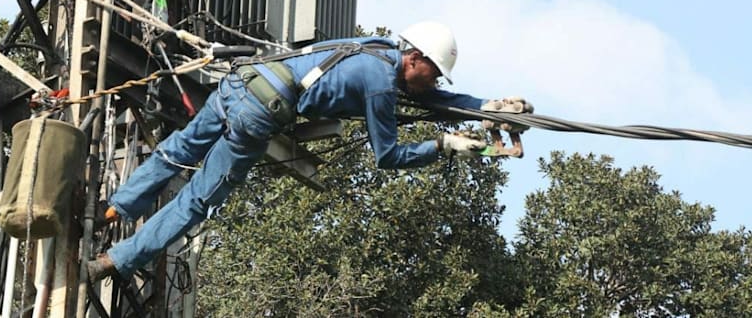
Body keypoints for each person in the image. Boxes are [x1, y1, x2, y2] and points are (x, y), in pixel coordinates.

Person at [86, 21, 533, 280]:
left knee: (177, 150)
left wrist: (484, 107)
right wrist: (442, 145)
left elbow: (428, 100)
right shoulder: (380, 87)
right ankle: (115, 260)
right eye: (432, 74)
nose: (432, 83)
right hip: (257, 116)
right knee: (197, 199)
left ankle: (114, 208)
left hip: (240, 83)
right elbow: (388, 156)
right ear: (414, 58)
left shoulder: (377, 51)